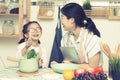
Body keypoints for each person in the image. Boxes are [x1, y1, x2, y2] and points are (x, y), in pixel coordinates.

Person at [52, 3, 102, 69]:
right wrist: (58, 65)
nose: (61, 21)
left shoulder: (91, 38)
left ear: (72, 20)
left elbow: (93, 67)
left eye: (62, 17)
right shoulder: (65, 39)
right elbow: (67, 61)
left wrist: (71, 65)